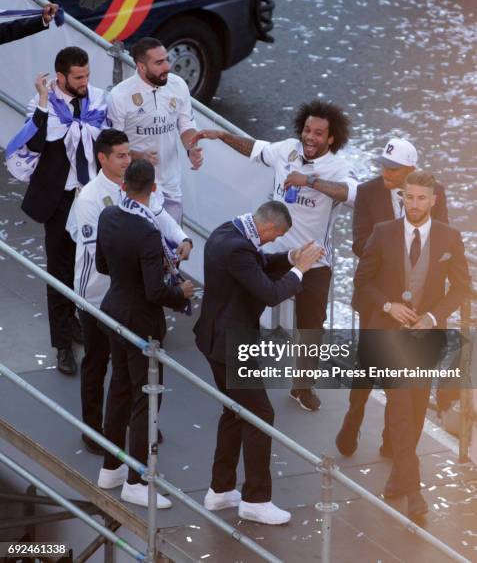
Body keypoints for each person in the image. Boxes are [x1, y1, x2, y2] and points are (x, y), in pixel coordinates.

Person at [192, 100, 356, 411]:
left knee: (311, 328)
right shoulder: (288, 149)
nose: (310, 137)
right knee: (245, 310)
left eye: (319, 133)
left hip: (313, 261)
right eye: (307, 129)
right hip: (271, 255)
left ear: (331, 138)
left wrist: (309, 181)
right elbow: (256, 148)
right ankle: (242, 367)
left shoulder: (339, 167)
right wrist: (222, 136)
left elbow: (354, 195)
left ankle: (301, 387)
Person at [194, 201, 323, 525]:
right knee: (260, 415)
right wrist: (299, 270)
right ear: (267, 228)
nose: (271, 242)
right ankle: (255, 499)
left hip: (214, 339)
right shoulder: (239, 249)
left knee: (234, 412)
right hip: (231, 345)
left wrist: (288, 258)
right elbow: (270, 292)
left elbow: (260, 262)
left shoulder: (228, 231)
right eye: (275, 236)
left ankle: (221, 490)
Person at [67, 129, 193, 454]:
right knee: (97, 363)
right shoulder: (91, 198)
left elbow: (159, 216)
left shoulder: (133, 188)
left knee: (128, 370)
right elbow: (98, 255)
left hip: (124, 292)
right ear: (103, 159)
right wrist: (149, 266)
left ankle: (140, 423)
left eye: (128, 154)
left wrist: (182, 240)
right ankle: (92, 429)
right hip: (95, 295)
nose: (127, 160)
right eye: (120, 155)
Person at [352, 171, 470, 517]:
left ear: (434, 200)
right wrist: (389, 305)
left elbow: (461, 288)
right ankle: (415, 491)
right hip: (387, 332)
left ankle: (400, 477)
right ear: (402, 196)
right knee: (402, 405)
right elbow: (362, 281)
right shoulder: (382, 232)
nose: (414, 204)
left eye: (422, 198)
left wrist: (433, 318)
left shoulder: (449, 238)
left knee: (416, 408)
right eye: (410, 197)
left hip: (426, 337)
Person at [336, 138, 449, 458]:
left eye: (393, 169)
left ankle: (391, 439)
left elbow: (443, 236)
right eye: (384, 166)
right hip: (377, 295)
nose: (385, 172)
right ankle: (353, 415)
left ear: (411, 170)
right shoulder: (369, 192)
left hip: (418, 302)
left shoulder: (432, 192)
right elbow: (359, 243)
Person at [95, 159, 194, 508]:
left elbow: (102, 266)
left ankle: (111, 468)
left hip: (113, 310)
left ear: (124, 185)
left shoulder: (108, 217)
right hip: (142, 323)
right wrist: (180, 294)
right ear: (153, 190)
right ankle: (136, 480)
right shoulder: (148, 233)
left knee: (119, 388)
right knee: (146, 397)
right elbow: (155, 291)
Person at [11, 47, 107, 375]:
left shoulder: (96, 100)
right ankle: (63, 345)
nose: (85, 82)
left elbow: (105, 140)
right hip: (59, 199)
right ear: (61, 76)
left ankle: (78, 323)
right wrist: (41, 101)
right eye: (78, 77)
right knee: (60, 271)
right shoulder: (43, 104)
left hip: (90, 196)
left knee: (90, 266)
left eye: (87, 75)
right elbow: (34, 144)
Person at [107, 37, 202, 223]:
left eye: (166, 59)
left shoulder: (178, 85)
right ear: (141, 67)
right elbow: (112, 146)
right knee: (142, 247)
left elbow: (185, 124)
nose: (167, 66)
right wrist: (138, 156)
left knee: (174, 248)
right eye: (159, 63)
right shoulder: (119, 96)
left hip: (171, 187)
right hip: (137, 187)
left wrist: (191, 148)